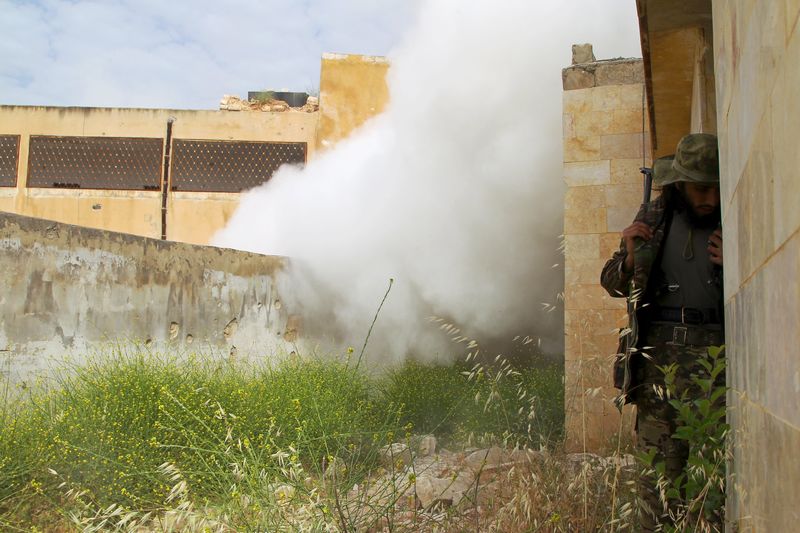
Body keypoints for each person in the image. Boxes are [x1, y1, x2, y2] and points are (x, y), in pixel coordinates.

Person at [600, 133, 724, 529]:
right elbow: (611, 283)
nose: (708, 198)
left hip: (715, 376)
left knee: (711, 493)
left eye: (714, 189)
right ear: (681, 186)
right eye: (699, 189)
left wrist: (734, 262)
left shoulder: (734, 225)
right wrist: (630, 258)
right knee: (654, 491)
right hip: (658, 377)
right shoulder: (656, 221)